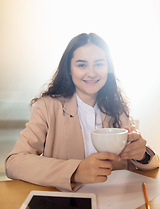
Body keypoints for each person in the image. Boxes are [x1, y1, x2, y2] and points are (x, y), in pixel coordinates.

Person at [5, 33, 159, 191]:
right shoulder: (48, 107)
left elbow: (153, 163)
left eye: (99, 64)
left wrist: (142, 154)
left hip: (115, 203)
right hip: (66, 206)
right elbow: (14, 162)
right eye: (82, 65)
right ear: (69, 70)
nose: (92, 73)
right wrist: (75, 171)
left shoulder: (118, 108)